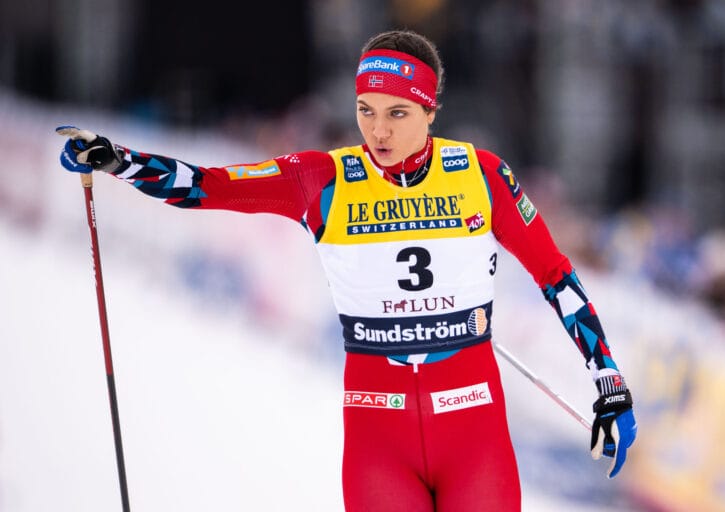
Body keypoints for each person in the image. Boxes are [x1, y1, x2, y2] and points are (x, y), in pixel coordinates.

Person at [57, 29, 636, 512]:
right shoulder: (320, 179)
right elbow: (207, 186)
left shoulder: (481, 176)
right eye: (365, 110)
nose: (377, 130)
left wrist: (608, 381)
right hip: (378, 433)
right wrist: (120, 161)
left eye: (397, 112)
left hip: (473, 428)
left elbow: (556, 276)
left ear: (431, 110)